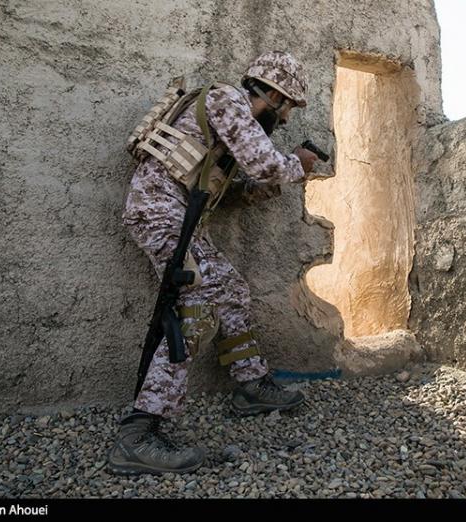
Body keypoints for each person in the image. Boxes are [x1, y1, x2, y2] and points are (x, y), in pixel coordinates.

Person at [108, 51, 330, 475]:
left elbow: (224, 188)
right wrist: (296, 167)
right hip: (160, 213)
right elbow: (265, 163)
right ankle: (138, 435)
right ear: (276, 97)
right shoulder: (227, 100)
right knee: (194, 311)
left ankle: (251, 386)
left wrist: (261, 189)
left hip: (182, 218)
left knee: (230, 289)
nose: (283, 121)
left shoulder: (222, 122)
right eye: (286, 110)